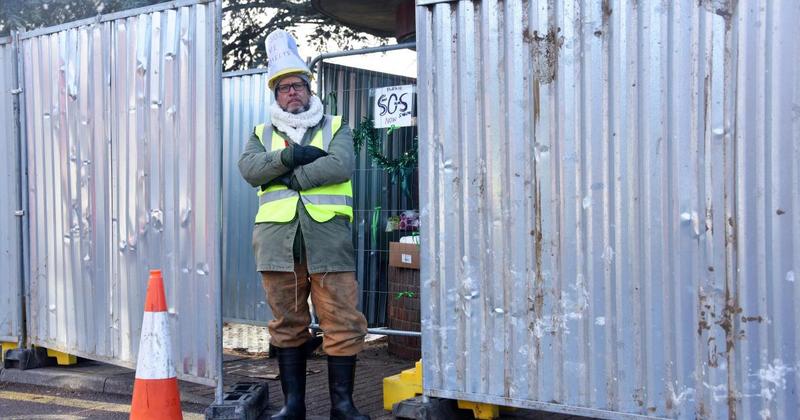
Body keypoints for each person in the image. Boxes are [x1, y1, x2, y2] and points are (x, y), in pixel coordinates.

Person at [238, 30, 369, 420]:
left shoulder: (336, 125)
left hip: (329, 241)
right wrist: (292, 157)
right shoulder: (261, 133)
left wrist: (292, 176)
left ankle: (342, 407)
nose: (291, 92)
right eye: (283, 88)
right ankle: (293, 406)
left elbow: (339, 164)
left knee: (342, 321)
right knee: (287, 323)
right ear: (275, 95)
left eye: (297, 85)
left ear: (310, 90)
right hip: (277, 245)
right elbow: (249, 169)